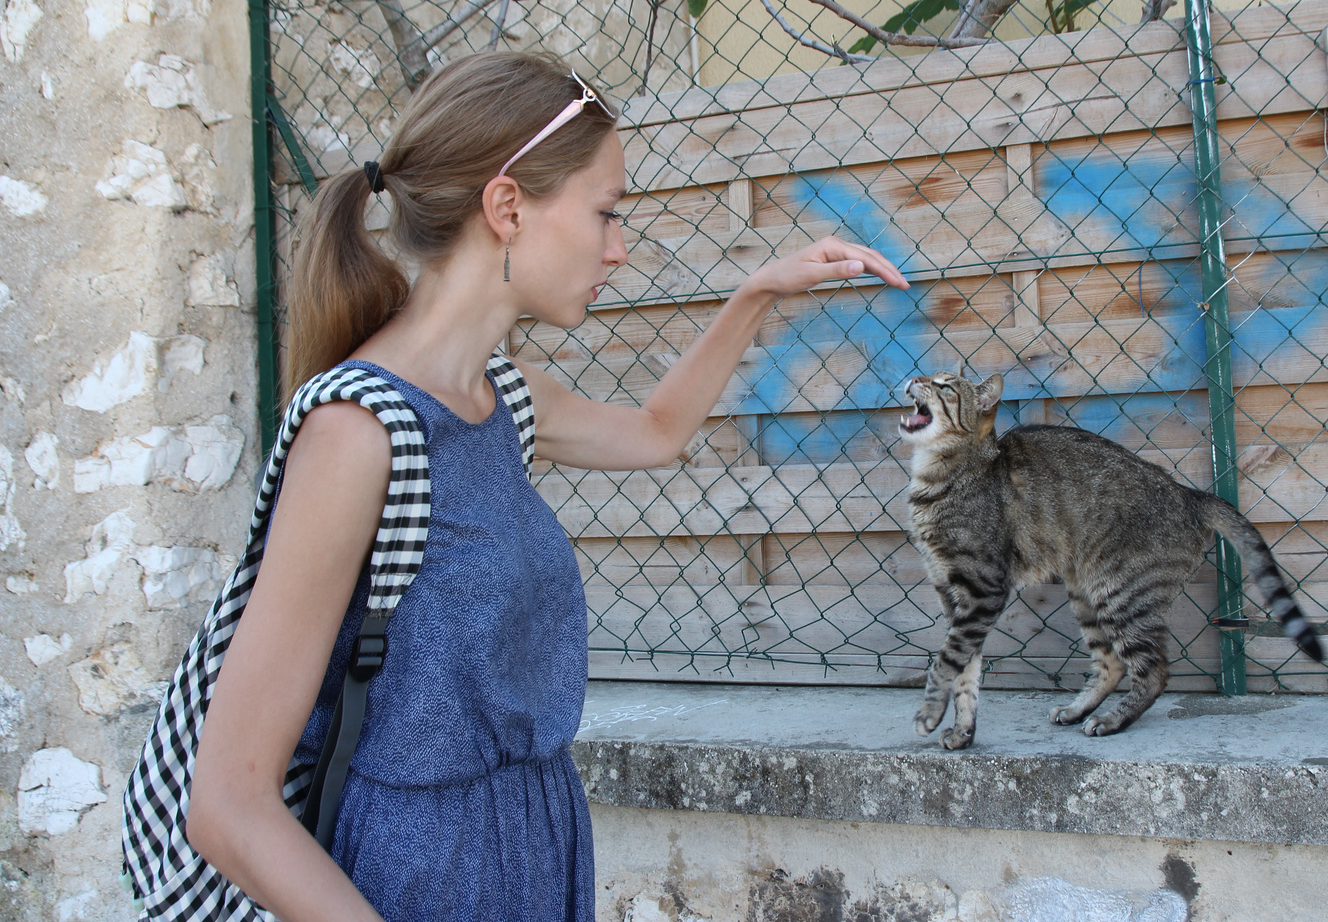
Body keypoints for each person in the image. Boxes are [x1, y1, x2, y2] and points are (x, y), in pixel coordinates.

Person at [182, 50, 908, 921]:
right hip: (424, 881)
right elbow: (228, 804)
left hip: (536, 848)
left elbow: (656, 432)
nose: (619, 247)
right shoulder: (358, 433)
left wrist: (758, 292)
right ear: (508, 206)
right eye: (604, 213)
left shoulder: (504, 400)